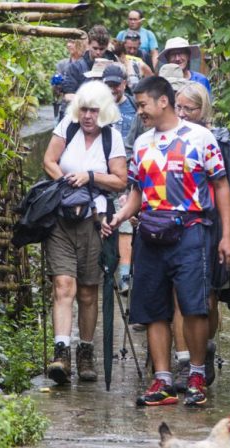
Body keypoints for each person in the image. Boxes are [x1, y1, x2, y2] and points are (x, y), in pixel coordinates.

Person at [102, 77, 230, 406]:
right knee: (152, 309)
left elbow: (221, 187)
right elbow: (136, 193)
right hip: (149, 233)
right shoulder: (143, 143)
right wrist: (119, 218)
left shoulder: (200, 138)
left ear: (163, 101)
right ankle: (162, 381)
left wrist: (228, 236)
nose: (140, 111)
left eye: (144, 104)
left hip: (192, 231)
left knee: (194, 307)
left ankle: (195, 375)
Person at [170, 82, 230, 392]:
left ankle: (203, 350)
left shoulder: (221, 141)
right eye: (177, 107)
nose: (181, 114)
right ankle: (184, 362)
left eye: (188, 109)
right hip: (179, 226)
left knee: (207, 298)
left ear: (202, 110)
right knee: (179, 296)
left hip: (214, 225)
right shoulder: (170, 139)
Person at [43, 81, 128, 384]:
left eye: (94, 110)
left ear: (103, 111)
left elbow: (121, 180)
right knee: (64, 285)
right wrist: (67, 182)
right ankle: (61, 352)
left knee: (89, 292)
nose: (88, 115)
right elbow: (49, 161)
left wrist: (90, 177)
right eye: (84, 109)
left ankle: (86, 351)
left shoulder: (112, 139)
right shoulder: (67, 127)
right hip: (62, 220)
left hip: (95, 221)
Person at [101, 64, 138, 293]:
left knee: (124, 224)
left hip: (127, 172)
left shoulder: (134, 107)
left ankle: (124, 275)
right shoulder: (95, 108)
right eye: (109, 85)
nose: (113, 89)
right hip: (100, 175)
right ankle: (103, 270)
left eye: (116, 84)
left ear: (124, 84)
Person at [63, 25, 117, 104]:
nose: (98, 52)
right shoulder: (75, 67)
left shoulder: (114, 64)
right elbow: (68, 95)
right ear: (88, 44)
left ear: (107, 46)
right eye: (95, 48)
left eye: (102, 49)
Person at [53, 38, 87, 122]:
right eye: (68, 42)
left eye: (72, 42)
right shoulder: (62, 64)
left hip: (85, 110)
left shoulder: (87, 64)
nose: (68, 45)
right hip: (66, 109)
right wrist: (56, 85)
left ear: (80, 44)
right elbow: (56, 93)